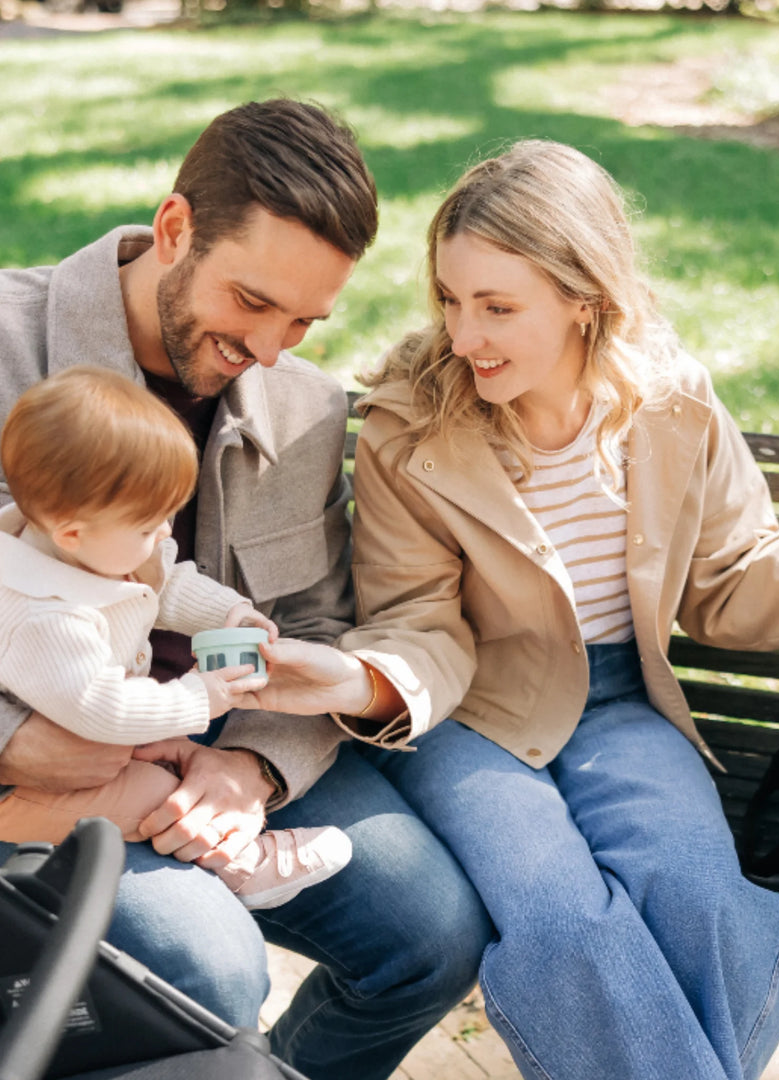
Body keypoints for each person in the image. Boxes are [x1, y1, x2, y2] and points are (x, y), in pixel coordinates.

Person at [245, 139, 779, 1080]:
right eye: (453, 301)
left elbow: (728, 581)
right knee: (562, 919)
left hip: (621, 705)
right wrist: (361, 679)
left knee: (699, 897)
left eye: (499, 308)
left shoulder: (673, 406)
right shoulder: (409, 427)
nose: (466, 337)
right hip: (471, 719)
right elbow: (420, 622)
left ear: (587, 298)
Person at [0, 99, 489, 1080]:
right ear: (174, 229)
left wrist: (253, 773)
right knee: (210, 975)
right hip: (39, 770)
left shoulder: (302, 405)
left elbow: (313, 622)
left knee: (428, 936)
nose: (272, 349)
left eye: (306, 320)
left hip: (212, 734)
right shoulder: (7, 345)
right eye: (253, 303)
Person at [0, 366, 354, 910]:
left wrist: (229, 613)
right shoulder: (46, 617)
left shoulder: (100, 545)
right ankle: (243, 865)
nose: (164, 533)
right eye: (149, 525)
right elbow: (99, 706)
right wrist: (199, 697)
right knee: (151, 792)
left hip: (90, 733)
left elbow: (169, 581)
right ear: (70, 532)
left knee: (169, 753)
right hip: (27, 785)